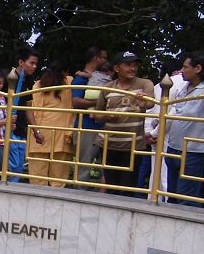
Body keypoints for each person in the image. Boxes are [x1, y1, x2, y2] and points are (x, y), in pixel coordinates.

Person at [161, 51, 204, 205]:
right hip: (174, 147)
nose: (181, 70)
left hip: (193, 151)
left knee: (186, 198)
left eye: (185, 67)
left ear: (198, 68)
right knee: (172, 195)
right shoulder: (183, 87)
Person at [92, 51, 155, 196]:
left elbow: (151, 104)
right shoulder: (107, 87)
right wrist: (107, 116)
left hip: (132, 145)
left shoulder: (145, 84)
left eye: (134, 65)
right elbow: (97, 114)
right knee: (111, 186)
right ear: (116, 68)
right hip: (108, 143)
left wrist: (143, 101)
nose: (132, 68)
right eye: (128, 65)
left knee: (127, 188)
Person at [25, 63, 75, 186]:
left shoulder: (37, 85)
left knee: (37, 180)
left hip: (39, 134)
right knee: (58, 181)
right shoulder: (69, 82)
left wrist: (36, 131)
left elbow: (29, 109)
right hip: (62, 135)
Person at [70, 46, 111, 187]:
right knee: (84, 165)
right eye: (104, 57)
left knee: (106, 166)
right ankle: (79, 195)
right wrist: (99, 102)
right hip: (87, 126)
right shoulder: (80, 79)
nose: (106, 61)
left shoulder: (105, 78)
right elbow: (75, 101)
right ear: (96, 58)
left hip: (104, 126)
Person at [8, 47, 39, 181]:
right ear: (21, 62)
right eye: (31, 63)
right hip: (7, 128)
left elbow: (28, 107)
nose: (34, 66)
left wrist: (36, 131)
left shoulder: (28, 81)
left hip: (20, 129)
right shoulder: (8, 78)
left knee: (18, 166)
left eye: (36, 64)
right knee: (12, 165)